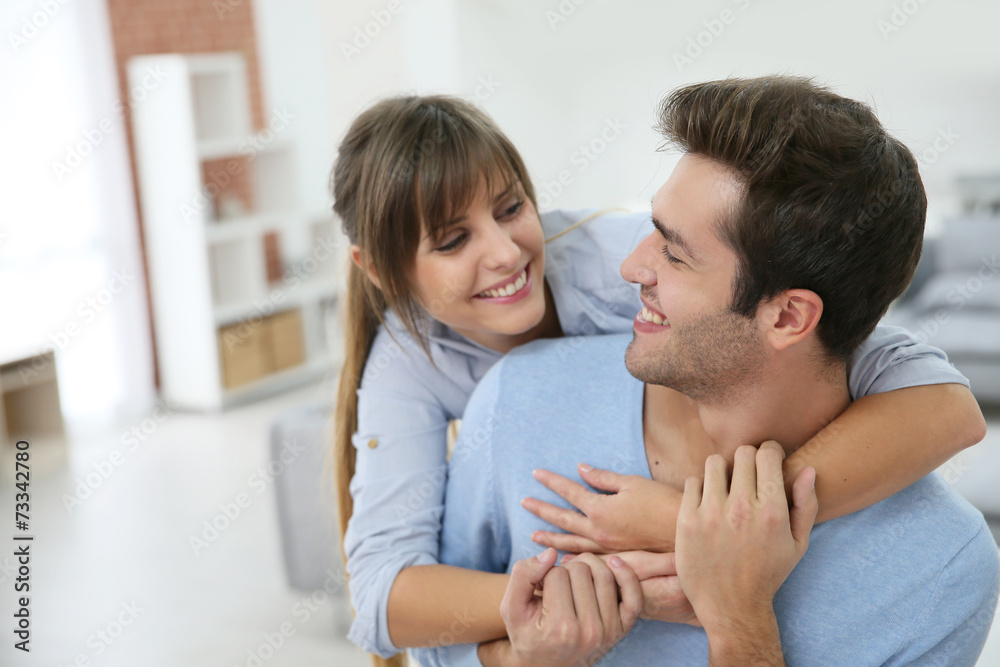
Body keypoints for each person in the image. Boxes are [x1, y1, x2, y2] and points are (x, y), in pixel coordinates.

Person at [330, 95, 986, 665]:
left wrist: (706, 535)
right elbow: (389, 597)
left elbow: (933, 399)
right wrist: (597, 595)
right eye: (451, 241)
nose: (504, 252)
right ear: (379, 270)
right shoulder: (461, 383)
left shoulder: (599, 258)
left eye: (510, 208)